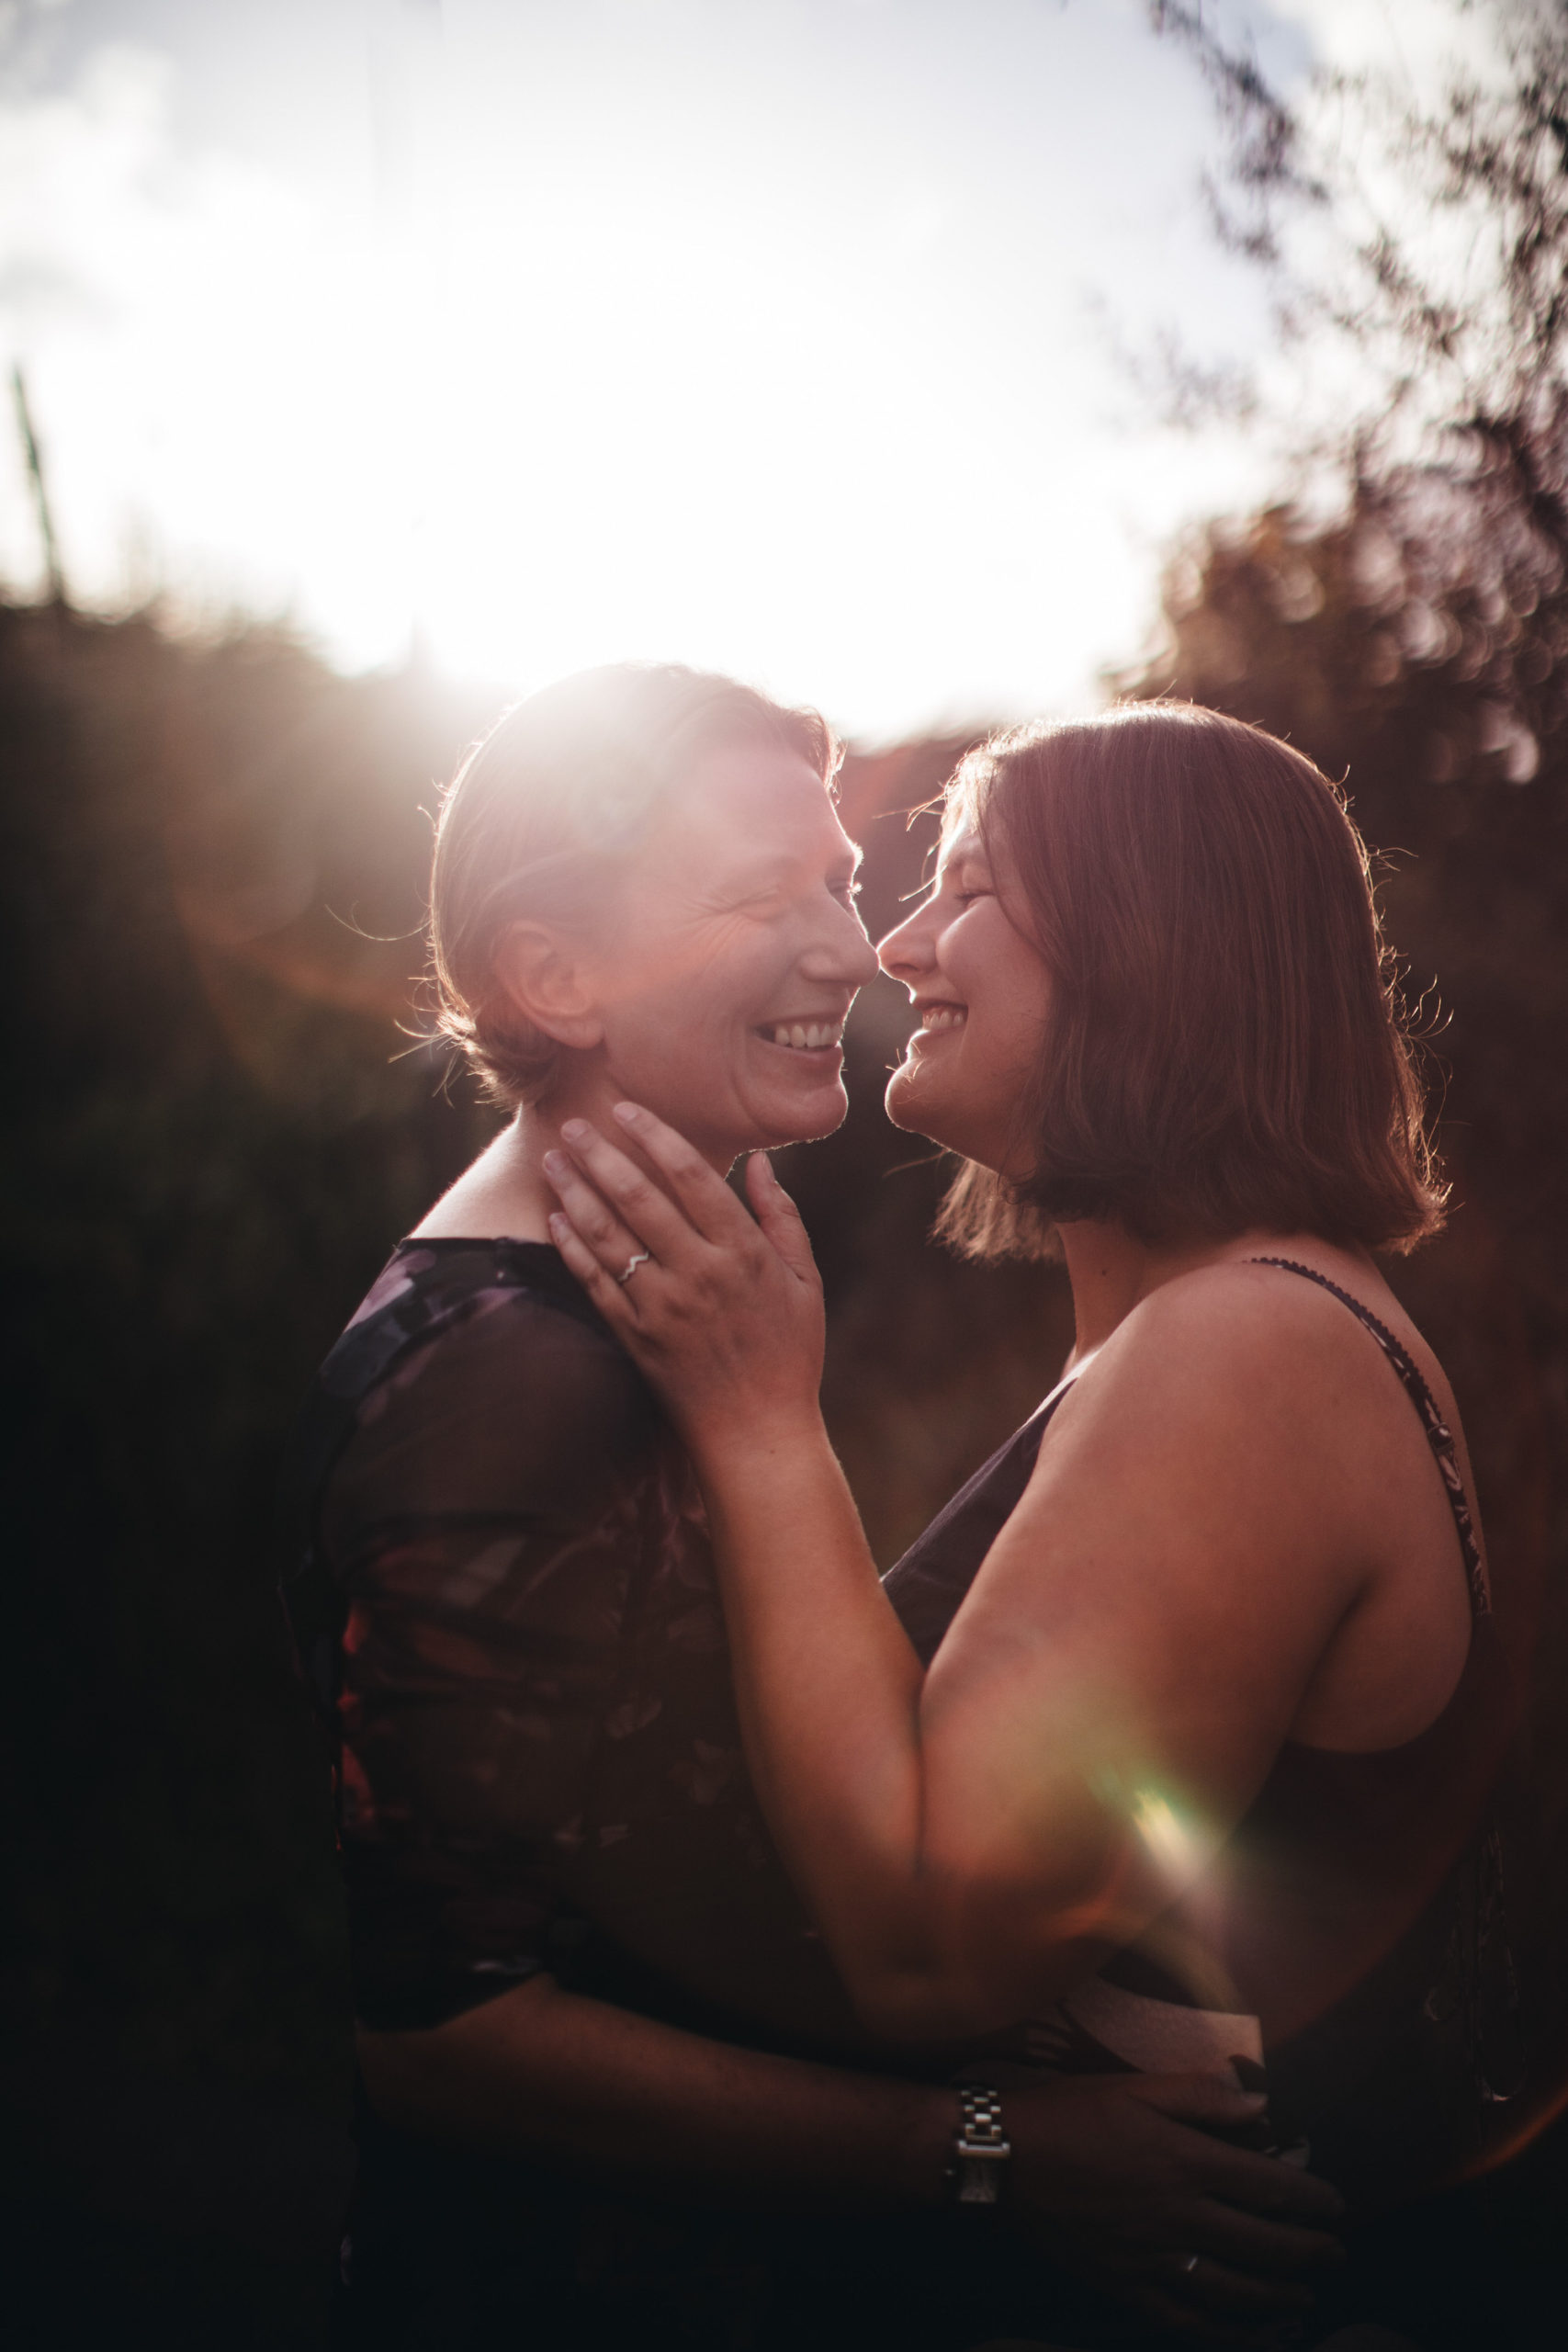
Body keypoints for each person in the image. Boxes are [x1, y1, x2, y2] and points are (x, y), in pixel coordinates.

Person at [283, 670, 1344, 2352]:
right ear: (554, 977)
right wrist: (991, 2153)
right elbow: (441, 2038)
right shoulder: (504, 1373)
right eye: (755, 897)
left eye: (838, 881)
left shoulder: (685, 1299)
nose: (854, 950)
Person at [544, 703, 1523, 2346]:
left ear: (1155, 939)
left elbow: (929, 1950)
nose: (897, 943)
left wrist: (760, 1424)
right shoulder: (1188, 1340)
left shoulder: (1251, 1349)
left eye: (970, 886)